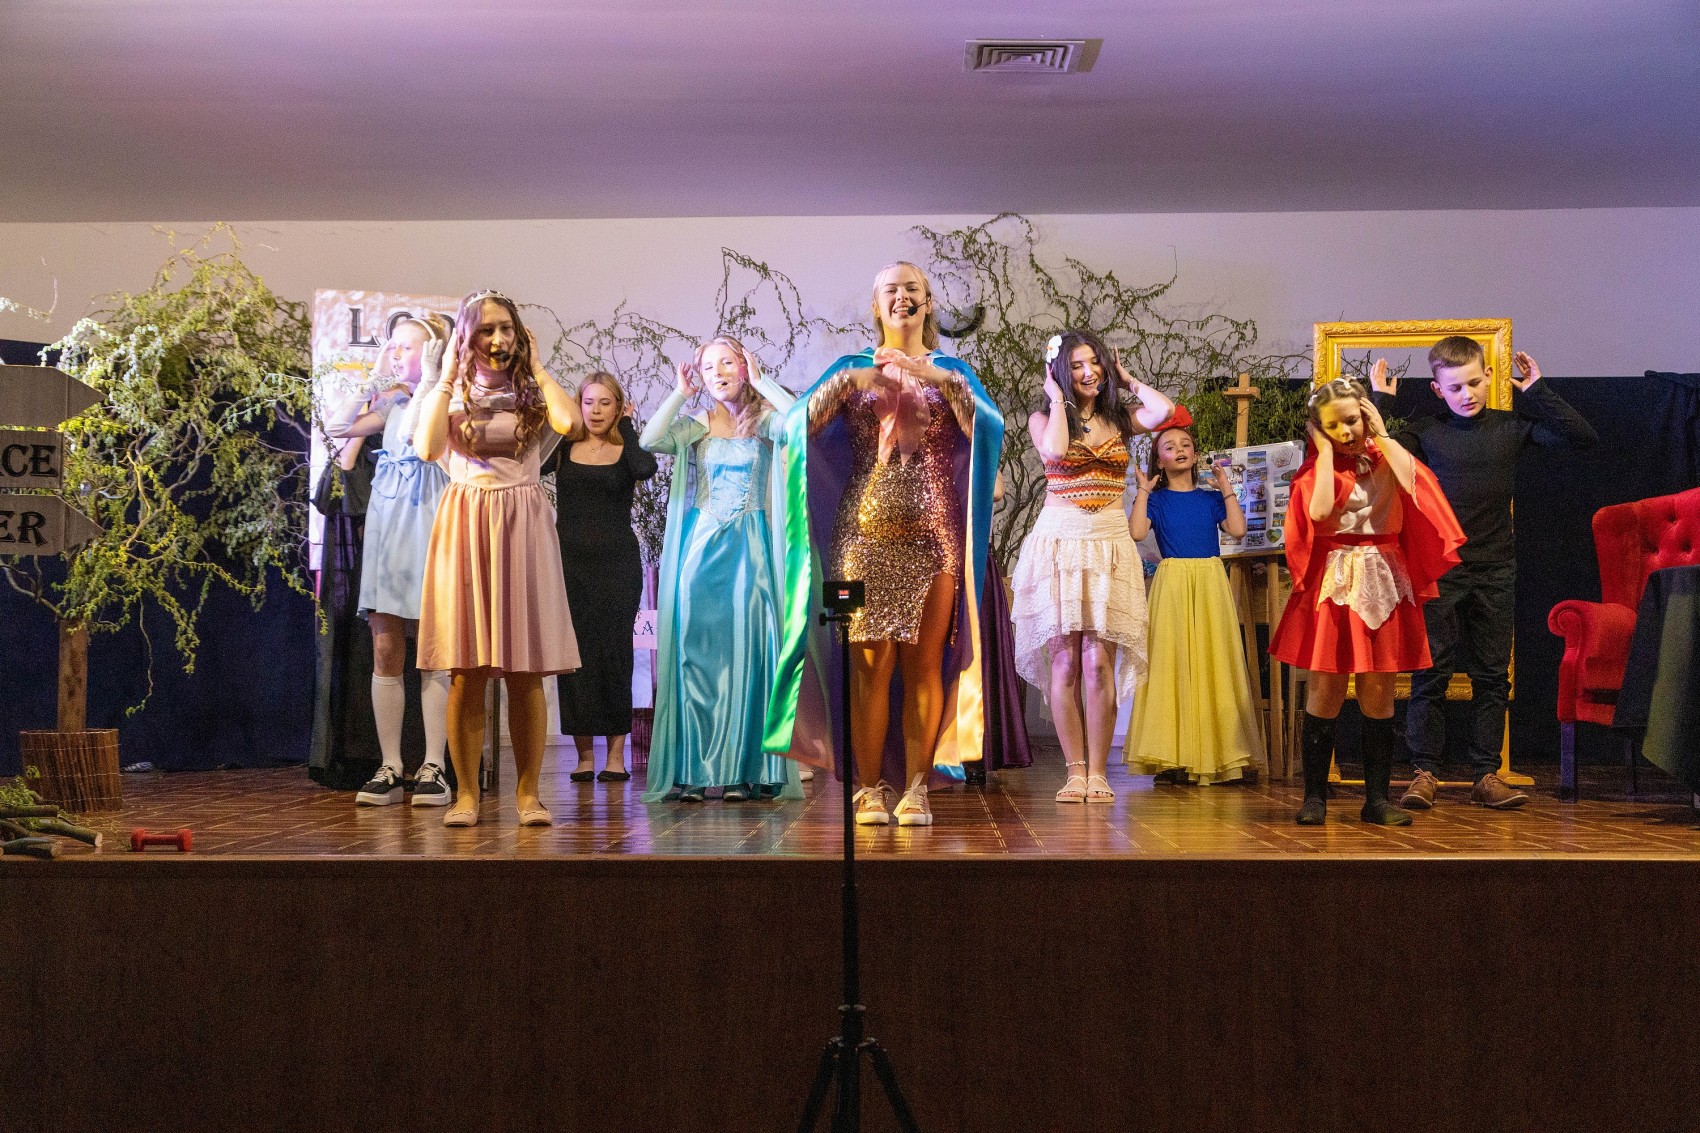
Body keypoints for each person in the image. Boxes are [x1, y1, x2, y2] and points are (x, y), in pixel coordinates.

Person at [766, 261, 1004, 827]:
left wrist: (940, 380)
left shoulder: (952, 370)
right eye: (890, 290)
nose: (902, 297)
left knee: (925, 666)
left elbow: (986, 430)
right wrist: (848, 383)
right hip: (859, 541)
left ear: (927, 302)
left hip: (934, 539)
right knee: (867, 668)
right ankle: (867, 789)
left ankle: (917, 788)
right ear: (876, 306)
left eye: (912, 288)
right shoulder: (851, 368)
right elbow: (793, 428)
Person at [1370, 338, 1597, 810]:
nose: (1467, 394)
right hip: (1440, 569)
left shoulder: (1510, 427)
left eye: (1474, 382)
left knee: (1492, 676)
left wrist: (1537, 390)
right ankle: (1424, 773)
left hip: (1495, 567)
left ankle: (1486, 775)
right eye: (1455, 387)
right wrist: (1381, 402)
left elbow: (1582, 438)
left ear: (1489, 377)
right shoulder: (1427, 432)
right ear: (1437, 390)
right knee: (1431, 673)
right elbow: (1373, 454)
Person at [413, 289, 583, 828]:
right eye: (486, 329)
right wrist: (445, 376)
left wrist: (539, 366)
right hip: (466, 521)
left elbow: (570, 422)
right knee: (467, 668)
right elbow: (426, 448)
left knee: (525, 670)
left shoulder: (531, 390)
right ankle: (465, 795)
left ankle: (529, 795)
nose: (498, 338)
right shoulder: (453, 391)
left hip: (522, 522)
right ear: (468, 337)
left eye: (506, 328)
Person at [1269, 374, 1464, 825]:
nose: (1346, 431)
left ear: (1366, 414)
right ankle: (1314, 798)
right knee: (1327, 688)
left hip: (1384, 577)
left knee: (1378, 691)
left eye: (1352, 420)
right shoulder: (1316, 469)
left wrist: (1382, 432)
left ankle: (1376, 799)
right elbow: (1319, 511)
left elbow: (1419, 484)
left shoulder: (1387, 457)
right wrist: (1322, 452)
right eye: (1333, 425)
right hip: (1336, 579)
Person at [1010, 330, 1174, 802]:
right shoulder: (1044, 418)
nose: (1089, 372)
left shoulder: (1120, 418)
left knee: (1097, 662)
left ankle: (1099, 772)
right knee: (1065, 662)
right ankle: (1075, 771)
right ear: (1061, 370)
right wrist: (1057, 397)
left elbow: (1164, 412)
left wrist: (1128, 379)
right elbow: (1056, 452)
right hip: (1060, 542)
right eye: (1078, 365)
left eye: (1095, 363)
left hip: (1108, 542)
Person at [638, 336, 801, 803]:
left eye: (727, 363)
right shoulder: (696, 425)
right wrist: (679, 393)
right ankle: (692, 770)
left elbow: (802, 422)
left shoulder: (766, 421)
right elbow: (649, 440)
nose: (717, 373)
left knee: (750, 654)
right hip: (701, 551)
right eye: (709, 367)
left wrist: (764, 382)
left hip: (750, 552)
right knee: (695, 656)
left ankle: (741, 772)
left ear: (744, 367)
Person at [322, 315, 455, 807]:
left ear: (433, 351)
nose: (397, 355)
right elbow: (337, 425)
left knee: (433, 647)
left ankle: (434, 764)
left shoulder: (446, 401)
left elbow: (421, 438)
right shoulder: (394, 402)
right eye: (392, 347)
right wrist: (374, 378)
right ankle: (391, 764)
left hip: (428, 521)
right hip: (388, 524)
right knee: (385, 644)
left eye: (406, 347)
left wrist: (434, 378)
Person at [1124, 412, 1263, 786]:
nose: (1180, 449)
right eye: (1170, 447)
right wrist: (1143, 491)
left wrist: (1226, 487)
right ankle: (1173, 756)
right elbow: (1136, 532)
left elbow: (1237, 528)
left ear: (1196, 454)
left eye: (1186, 444)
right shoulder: (1156, 500)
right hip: (1173, 583)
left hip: (1209, 582)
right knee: (1171, 664)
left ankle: (1216, 753)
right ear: (1159, 461)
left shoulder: (1211, 498)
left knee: (1211, 661)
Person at [541, 372, 658, 786]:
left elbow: (645, 468)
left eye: (605, 403)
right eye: (588, 402)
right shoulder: (563, 447)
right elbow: (532, 465)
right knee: (575, 658)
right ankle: (584, 755)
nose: (595, 411)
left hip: (617, 567)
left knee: (615, 656)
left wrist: (628, 425)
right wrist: (562, 419)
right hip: (568, 565)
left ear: (618, 407)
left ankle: (615, 755)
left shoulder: (627, 450)